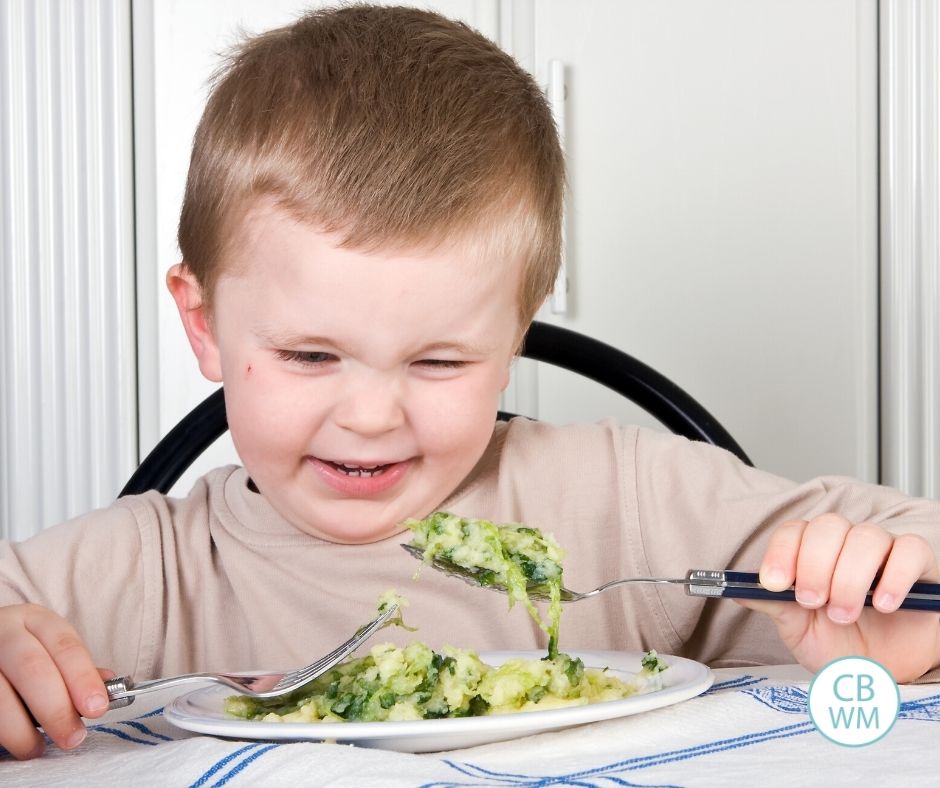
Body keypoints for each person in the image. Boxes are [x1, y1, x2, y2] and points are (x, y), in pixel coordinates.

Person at [1, 3, 938, 762]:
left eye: (440, 361)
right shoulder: (143, 573)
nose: (370, 417)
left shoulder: (625, 504)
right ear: (203, 324)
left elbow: (907, 545)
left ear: (513, 339)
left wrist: (901, 610)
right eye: (309, 356)